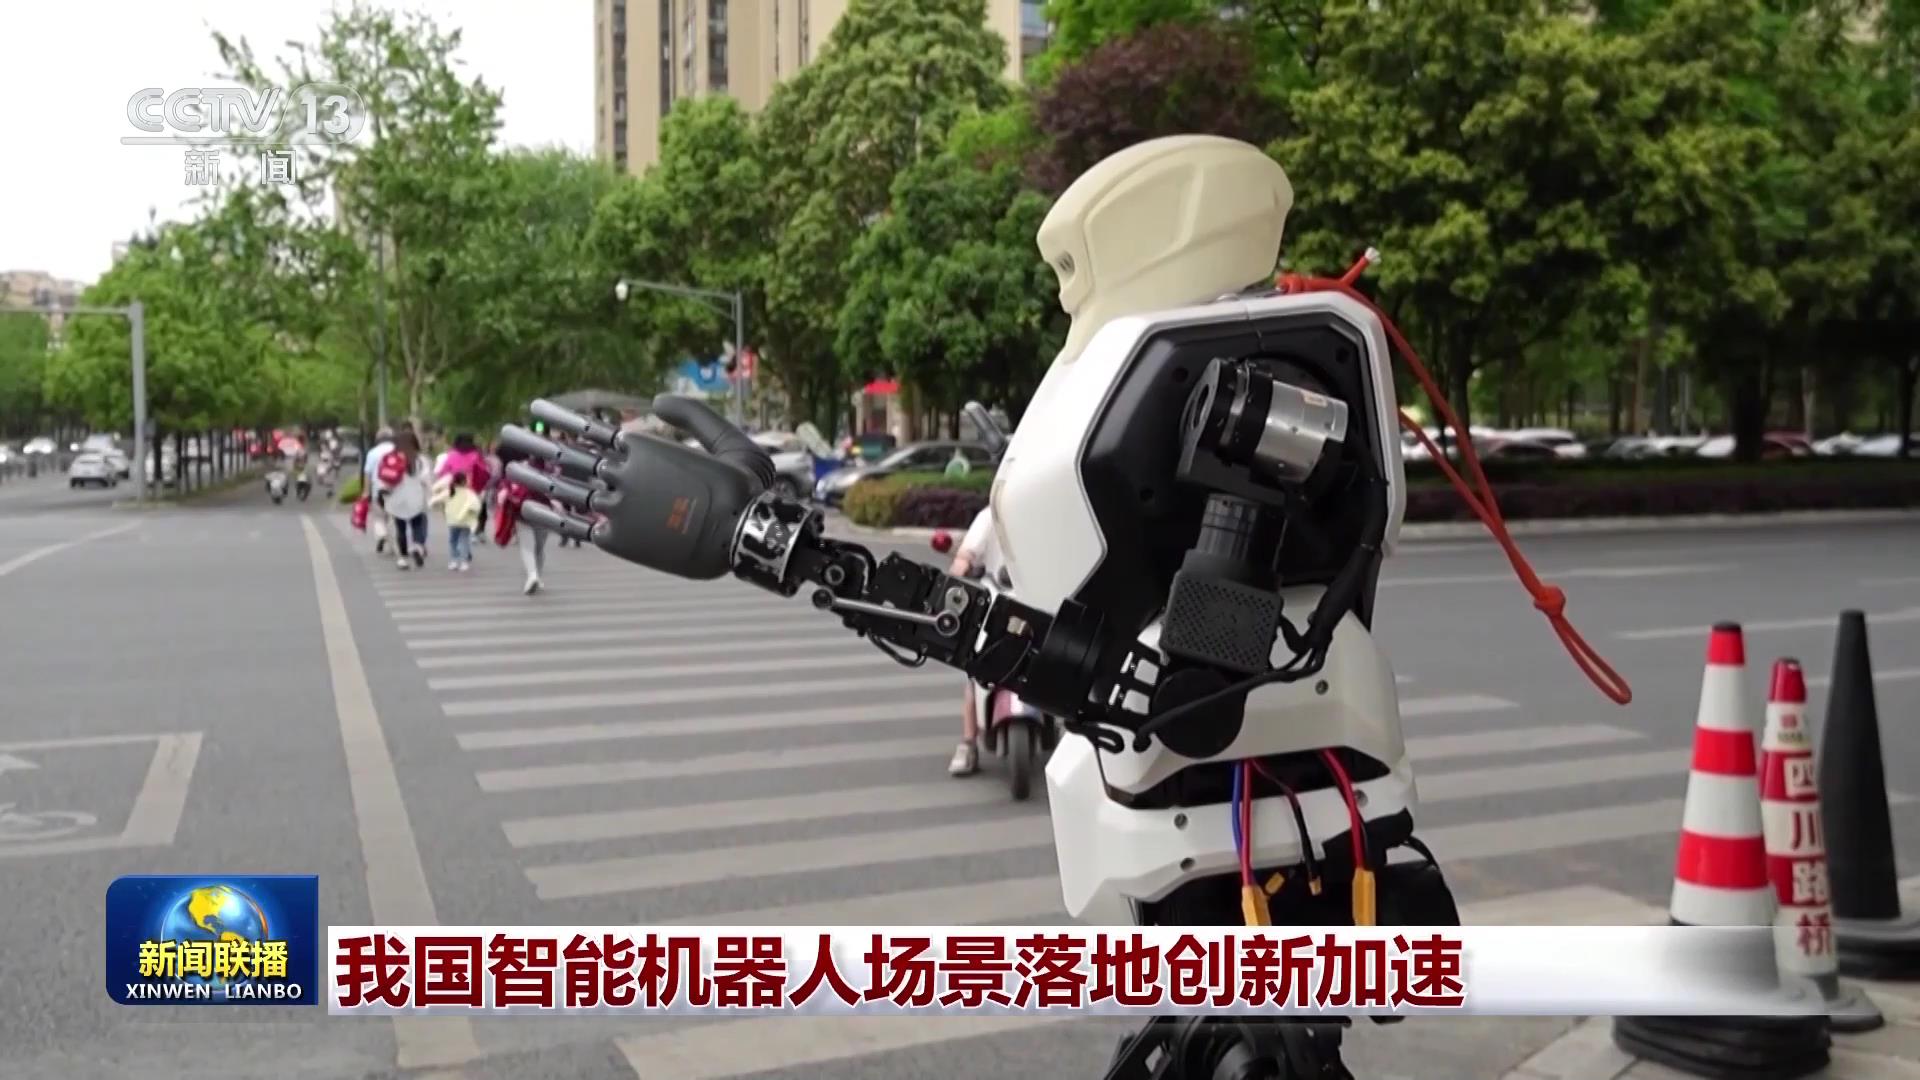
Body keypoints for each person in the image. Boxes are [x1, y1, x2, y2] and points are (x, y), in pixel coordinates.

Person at [948, 505, 998, 776]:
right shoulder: (991, 515)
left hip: (1041, 597)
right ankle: (968, 743)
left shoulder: (1049, 511)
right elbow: (965, 555)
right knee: (975, 671)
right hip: (997, 596)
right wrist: (956, 578)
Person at [493, 444, 551, 594]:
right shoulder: (538, 467)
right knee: (539, 547)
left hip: (521, 510)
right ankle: (538, 576)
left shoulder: (510, 470)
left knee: (527, 547)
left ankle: (532, 575)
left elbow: (503, 492)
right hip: (543, 510)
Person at [381, 431, 433, 570]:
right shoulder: (421, 460)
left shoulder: (392, 458)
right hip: (416, 497)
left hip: (397, 498)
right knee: (418, 525)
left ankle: (402, 559)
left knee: (400, 528)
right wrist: (431, 495)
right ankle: (416, 547)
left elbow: (386, 478)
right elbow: (426, 480)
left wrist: (385, 492)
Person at [431, 470, 482, 571]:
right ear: (464, 481)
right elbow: (476, 505)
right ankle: (464, 562)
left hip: (452, 521)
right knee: (464, 541)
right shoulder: (469, 493)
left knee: (453, 541)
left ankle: (453, 561)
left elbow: (434, 501)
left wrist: (440, 508)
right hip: (466, 521)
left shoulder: (449, 492)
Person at [363, 427, 396, 554]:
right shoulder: (397, 450)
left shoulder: (372, 453)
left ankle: (382, 534)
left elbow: (368, 473)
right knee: (394, 517)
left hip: (378, 489)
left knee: (379, 517)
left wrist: (366, 491)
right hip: (395, 489)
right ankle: (393, 543)